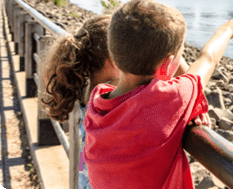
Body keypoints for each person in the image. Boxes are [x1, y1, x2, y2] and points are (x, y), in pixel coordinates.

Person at [83, 0, 233, 189]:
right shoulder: (167, 99)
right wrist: (227, 30)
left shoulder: (97, 101)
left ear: (113, 54)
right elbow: (208, 59)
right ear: (167, 63)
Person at [42, 14, 200, 189]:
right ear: (114, 62)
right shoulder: (118, 94)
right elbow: (180, 78)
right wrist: (171, 46)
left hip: (86, 175)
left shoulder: (89, 90)